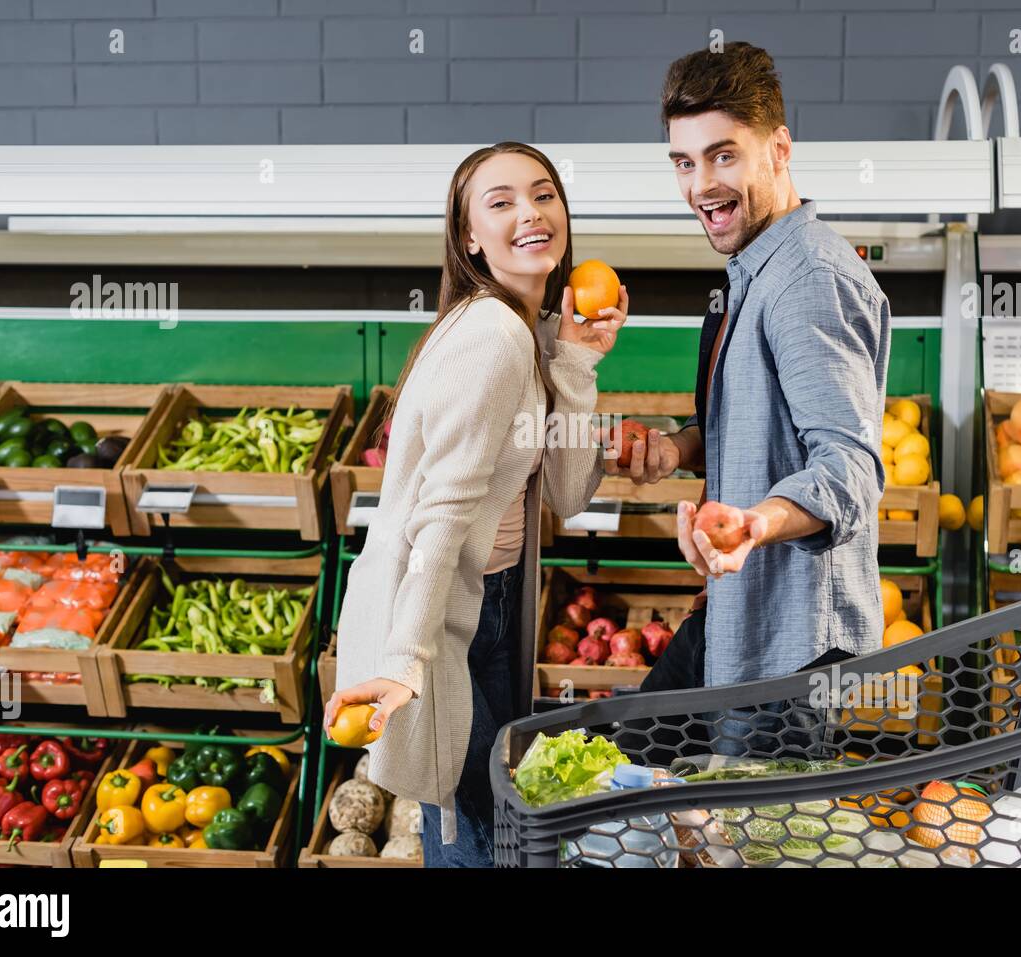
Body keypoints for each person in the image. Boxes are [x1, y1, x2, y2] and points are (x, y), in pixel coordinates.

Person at [324, 142, 627, 866]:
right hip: (432, 609)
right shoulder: (491, 335)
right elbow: (443, 511)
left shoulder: (527, 333)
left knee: (481, 818)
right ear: (470, 238)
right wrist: (407, 659)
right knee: (483, 831)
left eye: (543, 194)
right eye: (501, 203)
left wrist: (579, 363)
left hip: (489, 602)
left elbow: (565, 492)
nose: (530, 212)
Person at [613, 42, 890, 694]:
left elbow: (848, 473)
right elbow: (772, 428)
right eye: (684, 161)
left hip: (793, 657)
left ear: (780, 149)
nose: (700, 185)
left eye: (723, 155)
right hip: (742, 623)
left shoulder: (807, 281)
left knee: (630, 782)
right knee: (620, 774)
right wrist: (681, 447)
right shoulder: (759, 268)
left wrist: (755, 523)